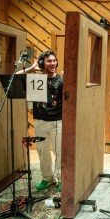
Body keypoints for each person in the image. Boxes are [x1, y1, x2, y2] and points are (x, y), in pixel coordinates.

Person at [17, 50, 63, 192]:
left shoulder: (62, 80)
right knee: (42, 152)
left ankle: (61, 179)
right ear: (42, 63)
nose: (53, 63)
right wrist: (31, 68)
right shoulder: (35, 80)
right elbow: (14, 78)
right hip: (39, 122)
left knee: (59, 152)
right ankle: (47, 178)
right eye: (49, 61)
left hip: (57, 122)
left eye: (54, 60)